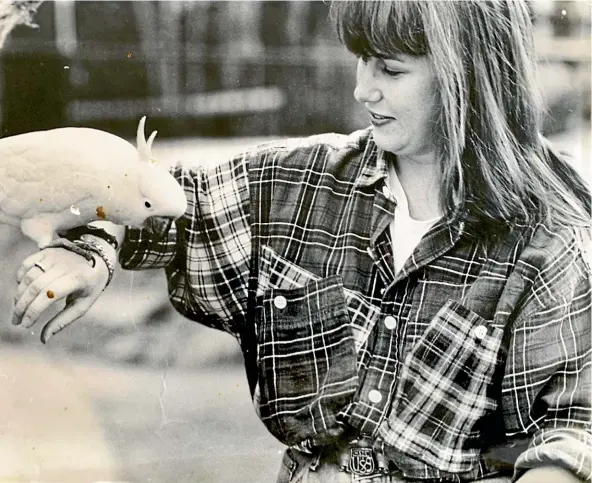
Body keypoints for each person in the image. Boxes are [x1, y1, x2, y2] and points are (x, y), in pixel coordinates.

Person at [10, 1, 591, 482]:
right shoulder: (300, 181)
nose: (363, 89)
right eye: (361, 61)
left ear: (471, 74)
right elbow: (157, 203)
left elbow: (572, 427)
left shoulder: (550, 233)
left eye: (390, 70)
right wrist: (90, 252)